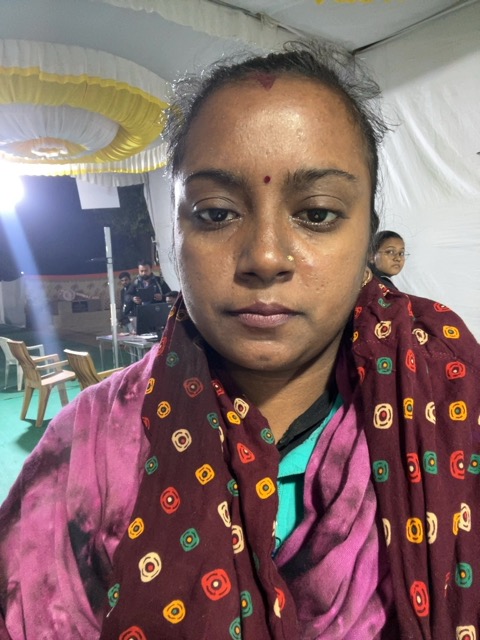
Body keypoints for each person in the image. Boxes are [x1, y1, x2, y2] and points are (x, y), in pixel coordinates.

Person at [1, 40, 479, 640]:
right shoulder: (90, 446)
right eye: (216, 213)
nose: (265, 257)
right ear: (173, 236)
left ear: (368, 239)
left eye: (318, 213)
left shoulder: (452, 403)